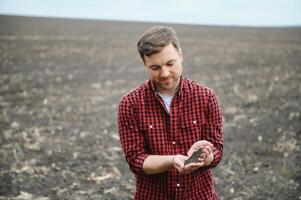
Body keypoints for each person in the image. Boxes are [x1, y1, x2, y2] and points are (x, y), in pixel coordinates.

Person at [118, 25, 223, 200]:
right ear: (145, 65)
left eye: (170, 63)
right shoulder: (130, 104)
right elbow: (136, 160)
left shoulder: (206, 97)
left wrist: (203, 155)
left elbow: (217, 152)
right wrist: (173, 160)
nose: (165, 73)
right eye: (155, 67)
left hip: (199, 196)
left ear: (180, 55)